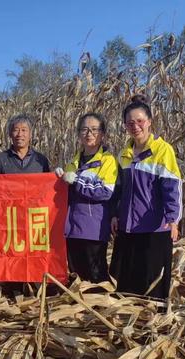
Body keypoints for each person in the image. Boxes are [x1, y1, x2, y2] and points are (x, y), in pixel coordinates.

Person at [110, 94, 182, 300]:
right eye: (130, 122)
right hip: (128, 227)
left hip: (154, 227)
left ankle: (154, 322)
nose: (136, 126)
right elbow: (119, 190)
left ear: (149, 122)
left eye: (140, 121)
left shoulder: (162, 150)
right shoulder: (124, 154)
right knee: (127, 281)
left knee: (153, 283)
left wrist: (173, 219)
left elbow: (172, 186)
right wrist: (115, 215)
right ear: (125, 126)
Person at [0, 114, 50, 297]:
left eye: (24, 130)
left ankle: (36, 291)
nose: (20, 134)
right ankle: (12, 292)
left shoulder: (41, 161)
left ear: (31, 134)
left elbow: (48, 189)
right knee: (12, 257)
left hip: (34, 219)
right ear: (9, 134)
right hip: (9, 220)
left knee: (34, 256)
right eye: (16, 130)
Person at [55, 113, 117, 284]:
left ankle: (99, 308)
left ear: (102, 134)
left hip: (93, 229)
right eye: (84, 129)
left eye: (94, 129)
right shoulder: (74, 162)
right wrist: (57, 180)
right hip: (72, 228)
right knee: (77, 276)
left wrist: (76, 181)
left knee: (96, 276)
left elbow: (105, 191)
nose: (89, 133)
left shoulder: (107, 161)